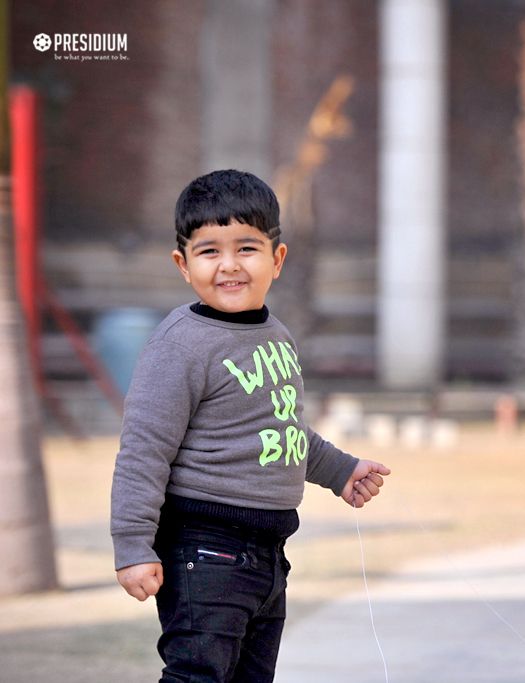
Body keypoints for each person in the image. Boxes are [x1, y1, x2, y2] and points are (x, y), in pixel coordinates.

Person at [111, 169, 391, 682]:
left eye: (246, 247)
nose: (229, 265)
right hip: (203, 547)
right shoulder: (180, 345)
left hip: (267, 556)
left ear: (276, 259)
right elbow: (143, 451)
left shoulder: (274, 336)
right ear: (183, 263)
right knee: (198, 674)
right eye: (210, 251)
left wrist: (341, 470)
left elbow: (281, 430)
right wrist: (133, 546)